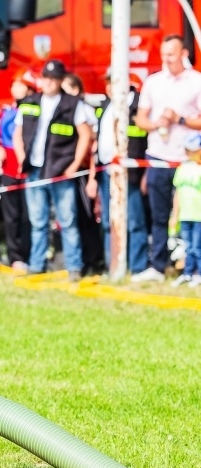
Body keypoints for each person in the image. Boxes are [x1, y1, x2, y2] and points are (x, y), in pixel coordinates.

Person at [13, 59, 93, 281]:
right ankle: (37, 265)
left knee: (67, 220)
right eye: (45, 78)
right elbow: (18, 134)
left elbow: (85, 135)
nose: (48, 82)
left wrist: (75, 165)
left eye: (53, 79)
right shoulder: (29, 102)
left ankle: (74, 266)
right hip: (35, 169)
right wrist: (21, 158)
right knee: (37, 221)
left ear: (60, 81)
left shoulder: (73, 104)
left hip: (59, 170)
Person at [133, 34, 201, 283]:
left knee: (192, 215)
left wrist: (180, 120)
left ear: (183, 53)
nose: (166, 60)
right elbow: (140, 119)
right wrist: (154, 123)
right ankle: (158, 266)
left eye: (171, 55)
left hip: (188, 161)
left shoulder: (196, 82)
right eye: (163, 55)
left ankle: (192, 267)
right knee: (158, 215)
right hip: (158, 156)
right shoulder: (153, 82)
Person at [86, 69, 149, 276]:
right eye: (107, 82)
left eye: (112, 82)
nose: (108, 87)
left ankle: (136, 266)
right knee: (108, 221)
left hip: (129, 173)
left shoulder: (138, 104)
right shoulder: (106, 105)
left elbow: (145, 142)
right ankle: (111, 265)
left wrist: (145, 173)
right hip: (106, 170)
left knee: (134, 220)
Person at [60, 71, 104, 275]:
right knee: (76, 217)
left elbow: (92, 143)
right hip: (74, 171)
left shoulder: (84, 109)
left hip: (85, 170)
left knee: (87, 218)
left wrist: (90, 175)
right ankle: (85, 259)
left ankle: (94, 260)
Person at [0, 68, 36, 271]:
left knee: (28, 215)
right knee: (11, 215)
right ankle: (15, 256)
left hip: (27, 169)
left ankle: (29, 255)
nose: (15, 88)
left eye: (19, 84)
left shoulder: (32, 109)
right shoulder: (7, 109)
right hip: (9, 169)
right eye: (14, 84)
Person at [169, 134, 201, 287]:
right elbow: (178, 193)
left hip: (198, 216)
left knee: (197, 247)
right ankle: (187, 274)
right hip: (185, 215)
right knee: (188, 248)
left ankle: (198, 274)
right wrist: (175, 215)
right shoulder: (182, 168)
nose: (190, 153)